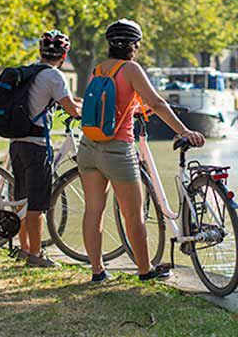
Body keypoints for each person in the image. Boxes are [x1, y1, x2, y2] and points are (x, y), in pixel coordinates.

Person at [78, 19, 205, 283]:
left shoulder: (98, 68)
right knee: (133, 214)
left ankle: (97, 271)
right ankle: (145, 270)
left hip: (88, 147)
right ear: (134, 45)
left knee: (93, 210)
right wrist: (183, 131)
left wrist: (134, 109)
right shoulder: (131, 69)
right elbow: (156, 102)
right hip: (117, 150)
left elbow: (109, 104)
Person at [9, 30, 81, 267]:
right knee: (38, 203)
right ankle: (36, 255)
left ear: (40, 52)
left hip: (16, 143)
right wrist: (87, 113)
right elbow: (71, 108)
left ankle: (24, 248)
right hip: (37, 146)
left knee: (21, 199)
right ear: (64, 55)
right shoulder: (54, 76)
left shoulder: (28, 71)